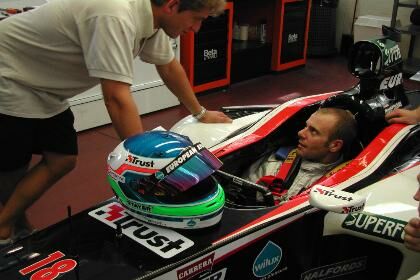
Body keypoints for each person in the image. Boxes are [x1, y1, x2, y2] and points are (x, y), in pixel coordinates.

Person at [0, 0, 232, 244]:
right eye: (197, 19)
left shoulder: (152, 19)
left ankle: (12, 222)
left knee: (62, 159)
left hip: (44, 87)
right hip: (10, 76)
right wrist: (145, 166)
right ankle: (7, 229)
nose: (196, 29)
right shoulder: (115, 14)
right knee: (11, 165)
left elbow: (169, 67)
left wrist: (200, 112)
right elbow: (116, 98)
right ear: (172, 5)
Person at [242, 107, 358, 204]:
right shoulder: (275, 161)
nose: (301, 133)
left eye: (313, 131)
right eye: (306, 126)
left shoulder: (342, 186)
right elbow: (239, 194)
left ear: (335, 145)